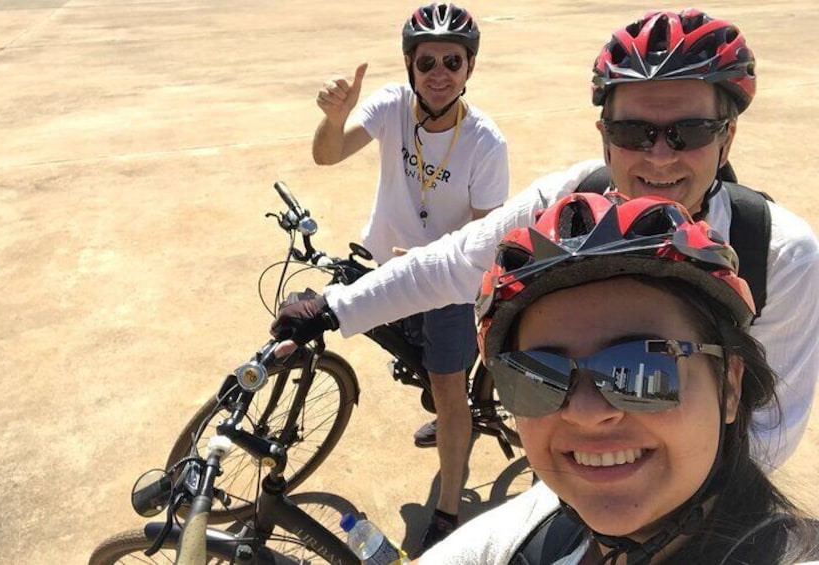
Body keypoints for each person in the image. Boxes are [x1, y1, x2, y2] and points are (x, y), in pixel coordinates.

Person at [272, 9, 819, 472]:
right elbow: (453, 262)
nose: (658, 155)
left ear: (728, 137)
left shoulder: (776, 254)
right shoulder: (571, 200)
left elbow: (768, 430)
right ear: (604, 136)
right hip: (573, 470)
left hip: (688, 499)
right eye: (633, 132)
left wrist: (644, 497)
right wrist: (331, 308)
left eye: (689, 131)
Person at [416, 191, 819, 564]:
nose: (586, 412)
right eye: (539, 377)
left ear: (729, 386)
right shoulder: (537, 523)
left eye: (642, 370)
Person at [310, 2, 509, 549]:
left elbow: (481, 242)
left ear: (470, 67)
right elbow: (327, 156)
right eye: (427, 63)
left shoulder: (486, 143)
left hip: (447, 283)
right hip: (391, 265)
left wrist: (421, 259)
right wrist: (333, 118)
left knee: (447, 389)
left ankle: (448, 506)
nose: (439, 73)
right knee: (415, 358)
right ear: (409, 66)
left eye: (452, 60)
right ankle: (451, 416)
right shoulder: (393, 106)